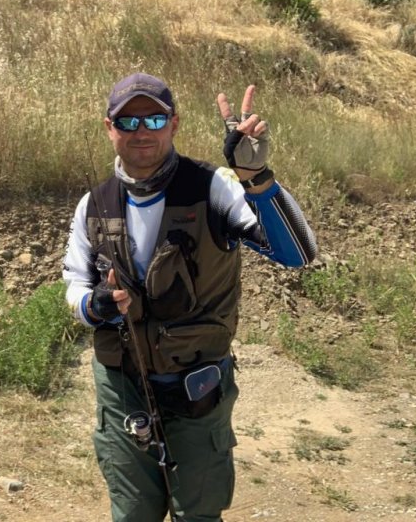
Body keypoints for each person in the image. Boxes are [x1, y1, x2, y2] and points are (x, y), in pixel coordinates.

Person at [63, 73, 317, 522]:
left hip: (197, 383)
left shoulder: (214, 188)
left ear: (175, 124)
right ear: (109, 128)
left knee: (197, 512)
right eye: (128, 121)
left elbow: (297, 253)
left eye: (155, 119)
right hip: (123, 387)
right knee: (132, 513)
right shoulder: (93, 204)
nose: (142, 131)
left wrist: (256, 178)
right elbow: (75, 286)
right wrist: (93, 305)